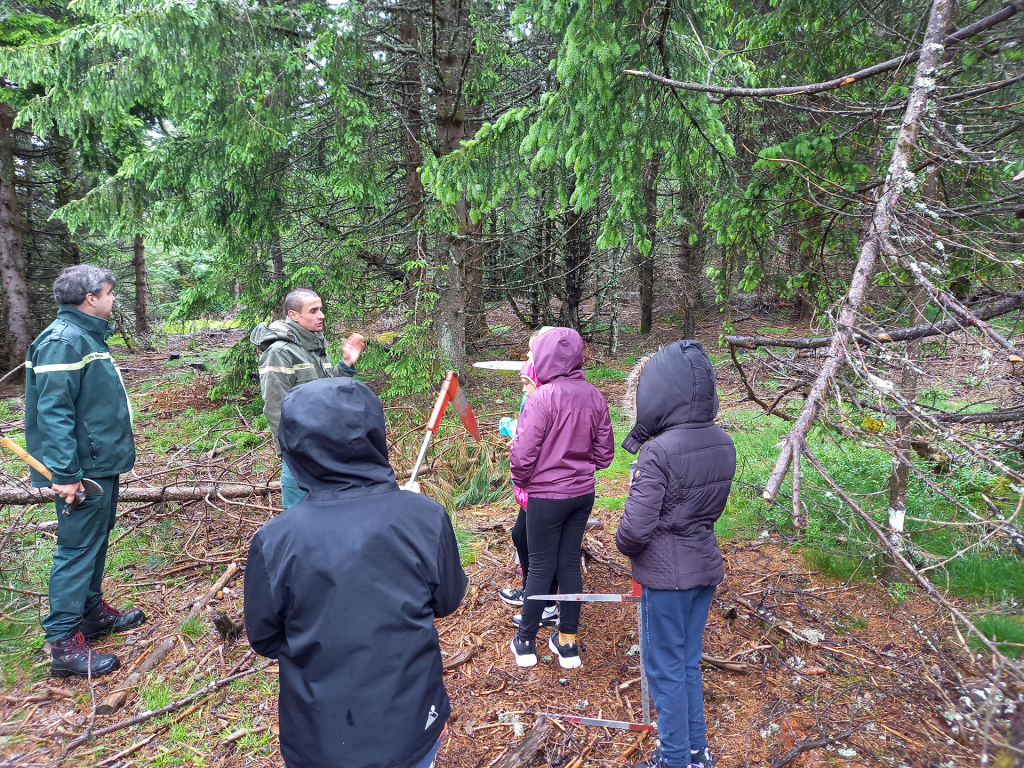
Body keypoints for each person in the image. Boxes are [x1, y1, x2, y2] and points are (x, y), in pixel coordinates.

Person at [244, 376, 467, 768]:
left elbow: (265, 638)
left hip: (320, 738)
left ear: (295, 450)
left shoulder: (276, 540)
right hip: (411, 722)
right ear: (374, 436)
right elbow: (446, 600)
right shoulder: (425, 516)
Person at [615, 341, 736, 768]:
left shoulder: (658, 451)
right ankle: (696, 753)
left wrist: (622, 542)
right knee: (686, 665)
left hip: (667, 579)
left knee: (664, 669)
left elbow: (636, 527)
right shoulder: (722, 442)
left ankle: (672, 758)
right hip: (704, 568)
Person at [25, 265, 145, 678]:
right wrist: (65, 473)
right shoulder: (63, 341)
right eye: (110, 293)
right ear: (90, 298)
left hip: (100, 463)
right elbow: (53, 413)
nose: (114, 299)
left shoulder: (87, 335)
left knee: (96, 540)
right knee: (76, 549)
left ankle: (91, 612)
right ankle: (62, 642)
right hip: (81, 470)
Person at [508, 327, 615, 669]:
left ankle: (525, 643)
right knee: (568, 564)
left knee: (540, 566)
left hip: (546, 496)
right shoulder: (595, 397)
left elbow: (522, 455)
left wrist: (525, 482)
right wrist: (580, 467)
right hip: (582, 494)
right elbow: (605, 455)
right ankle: (567, 642)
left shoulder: (541, 398)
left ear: (544, 357)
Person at [251, 289, 365, 508]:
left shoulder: (313, 345)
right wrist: (290, 451)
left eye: (321, 309)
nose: (321, 315)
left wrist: (346, 364)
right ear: (293, 315)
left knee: (330, 509)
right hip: (301, 450)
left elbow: (327, 390)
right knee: (300, 516)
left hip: (327, 444)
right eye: (313, 311)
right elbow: (275, 407)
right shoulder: (280, 351)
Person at [497, 359, 558, 630]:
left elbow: (543, 445)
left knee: (540, 548)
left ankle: (546, 606)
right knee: (521, 536)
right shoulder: (534, 403)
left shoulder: (545, 404)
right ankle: (532, 596)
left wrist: (521, 474)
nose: (523, 390)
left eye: (526, 384)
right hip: (530, 491)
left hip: (542, 491)